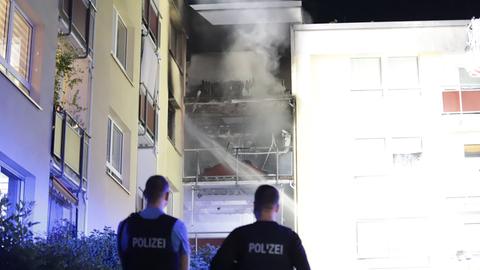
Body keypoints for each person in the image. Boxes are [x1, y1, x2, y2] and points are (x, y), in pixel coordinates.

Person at [210, 185, 310, 270]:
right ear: (277, 207)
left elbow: (217, 266)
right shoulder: (290, 237)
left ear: (255, 206)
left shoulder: (239, 235)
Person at [117, 175, 190, 270]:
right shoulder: (177, 227)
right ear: (167, 196)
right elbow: (184, 266)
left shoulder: (125, 225)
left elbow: (123, 261)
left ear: (145, 194)